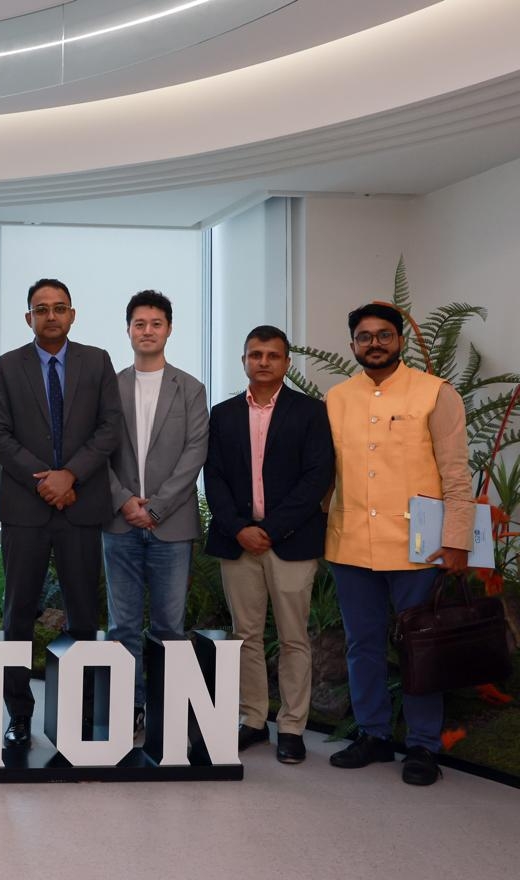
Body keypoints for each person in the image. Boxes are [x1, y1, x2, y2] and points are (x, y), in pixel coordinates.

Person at [324, 302, 473, 786]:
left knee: (420, 646)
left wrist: (456, 541)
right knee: (362, 645)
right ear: (352, 345)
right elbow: (327, 474)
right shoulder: (337, 398)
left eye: (383, 335)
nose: (374, 343)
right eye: (364, 336)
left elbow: (455, 473)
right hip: (351, 544)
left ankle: (423, 745)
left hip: (420, 544)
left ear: (400, 341)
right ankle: (373, 734)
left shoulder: (436, 393)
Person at [0, 278, 122, 748]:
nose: (50, 315)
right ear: (29, 318)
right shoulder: (8, 365)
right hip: (27, 507)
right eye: (41, 309)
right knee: (17, 616)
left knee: (83, 616)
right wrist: (46, 480)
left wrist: (72, 476)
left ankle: (79, 716)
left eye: (59, 307)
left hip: (82, 506)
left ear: (72, 314)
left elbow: (109, 428)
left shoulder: (97, 361)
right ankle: (19, 716)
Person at [205, 325, 333, 764]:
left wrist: (271, 529)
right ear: (243, 360)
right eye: (255, 354)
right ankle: (255, 720)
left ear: (286, 363)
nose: (263, 361)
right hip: (238, 540)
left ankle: (293, 726)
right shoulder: (221, 414)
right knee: (246, 636)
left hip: (291, 541)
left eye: (272, 355)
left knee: (295, 637)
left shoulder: (311, 413)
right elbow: (214, 477)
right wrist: (240, 527)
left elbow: (317, 476)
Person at [103, 290, 208, 735]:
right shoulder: (109, 387)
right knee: (122, 625)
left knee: (169, 626)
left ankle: (166, 715)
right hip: (118, 521)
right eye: (139, 324)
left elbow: (195, 452)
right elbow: (97, 452)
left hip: (173, 524)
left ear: (169, 329)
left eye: (156, 323)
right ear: (128, 330)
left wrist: (157, 507)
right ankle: (131, 708)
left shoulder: (191, 388)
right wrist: (125, 500)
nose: (148, 331)